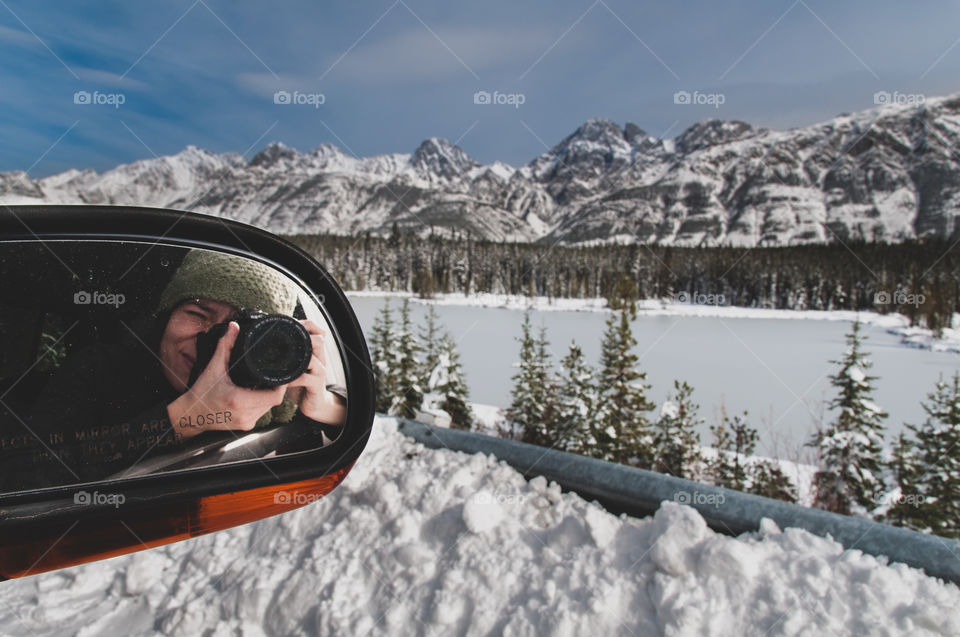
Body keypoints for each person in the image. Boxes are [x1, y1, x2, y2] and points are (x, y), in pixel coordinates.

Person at [9, 249, 346, 489]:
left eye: (241, 331)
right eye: (198, 315)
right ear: (165, 317)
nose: (212, 341)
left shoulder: (273, 391)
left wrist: (320, 406)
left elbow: (352, 418)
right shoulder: (99, 371)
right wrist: (187, 417)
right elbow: (25, 469)